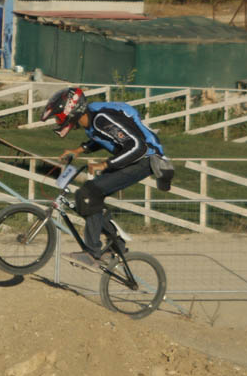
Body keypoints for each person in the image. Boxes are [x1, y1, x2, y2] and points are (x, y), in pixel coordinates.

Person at [41, 87, 172, 261]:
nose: (58, 121)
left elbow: (138, 147)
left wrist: (104, 164)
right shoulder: (94, 120)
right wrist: (78, 150)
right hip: (133, 159)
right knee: (83, 197)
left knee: (89, 193)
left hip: (145, 160)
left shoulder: (101, 119)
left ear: (70, 112)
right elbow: (105, 137)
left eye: (58, 117)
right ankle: (116, 247)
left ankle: (92, 252)